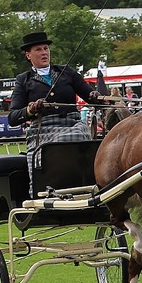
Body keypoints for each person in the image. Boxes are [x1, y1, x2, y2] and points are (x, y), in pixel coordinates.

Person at [8, 31, 101, 196]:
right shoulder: (24, 80)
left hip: (73, 124)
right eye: (38, 49)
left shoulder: (67, 72)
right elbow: (13, 117)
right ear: (28, 55)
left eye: (46, 48)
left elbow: (92, 98)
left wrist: (96, 96)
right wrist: (31, 109)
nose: (44, 52)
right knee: (48, 150)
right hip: (43, 131)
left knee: (80, 135)